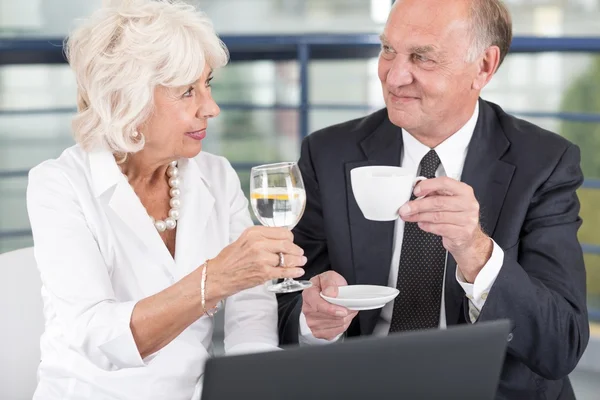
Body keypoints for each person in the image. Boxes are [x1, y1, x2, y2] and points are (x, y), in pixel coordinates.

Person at [277, 0, 589, 399]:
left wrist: (476, 252)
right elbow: (284, 303)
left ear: (484, 67)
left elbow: (560, 345)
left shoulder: (544, 164)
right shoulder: (328, 154)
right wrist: (312, 321)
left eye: (422, 57)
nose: (394, 77)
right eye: (388, 49)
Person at [26, 1, 307, 399]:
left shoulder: (215, 174)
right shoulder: (58, 185)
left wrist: (254, 375)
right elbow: (98, 337)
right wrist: (216, 278)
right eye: (187, 91)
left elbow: (250, 301)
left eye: (208, 84)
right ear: (127, 100)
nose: (211, 108)